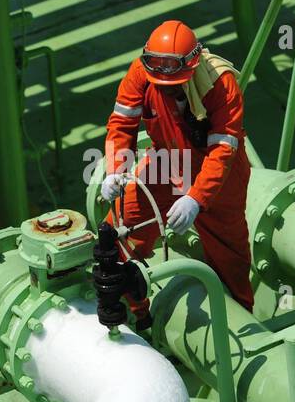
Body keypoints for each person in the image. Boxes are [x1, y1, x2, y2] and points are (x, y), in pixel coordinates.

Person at [100, 19, 253, 310]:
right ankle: (132, 311)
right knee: (122, 227)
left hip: (220, 178)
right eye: (161, 86)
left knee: (229, 256)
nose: (167, 91)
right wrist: (115, 170)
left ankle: (240, 320)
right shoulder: (141, 73)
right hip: (167, 162)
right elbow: (122, 122)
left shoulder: (222, 85)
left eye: (174, 85)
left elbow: (222, 150)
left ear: (192, 68)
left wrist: (196, 198)